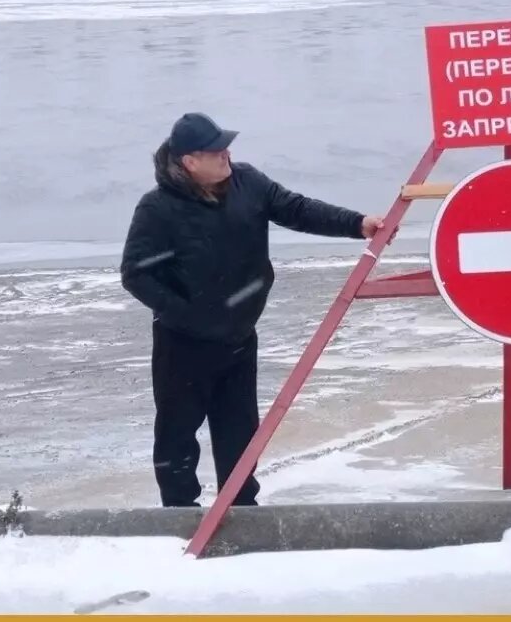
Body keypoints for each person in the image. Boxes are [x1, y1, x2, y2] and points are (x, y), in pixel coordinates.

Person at [120, 112, 387, 508]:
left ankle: (241, 508)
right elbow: (136, 274)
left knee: (239, 433)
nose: (226, 153)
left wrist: (357, 223)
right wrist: (188, 315)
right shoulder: (158, 208)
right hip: (183, 344)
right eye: (215, 149)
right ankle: (179, 514)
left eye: (225, 145)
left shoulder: (248, 183)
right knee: (177, 434)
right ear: (190, 162)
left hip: (239, 337)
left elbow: (296, 209)